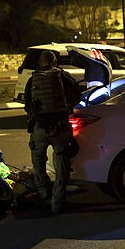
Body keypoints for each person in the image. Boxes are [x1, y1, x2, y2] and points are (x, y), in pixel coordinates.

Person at [24, 51, 81, 213]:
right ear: (55, 62)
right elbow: (77, 97)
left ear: (41, 63)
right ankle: (57, 202)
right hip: (60, 128)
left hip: (40, 128)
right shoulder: (64, 77)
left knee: (38, 160)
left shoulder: (32, 80)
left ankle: (43, 193)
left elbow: (28, 106)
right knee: (62, 165)